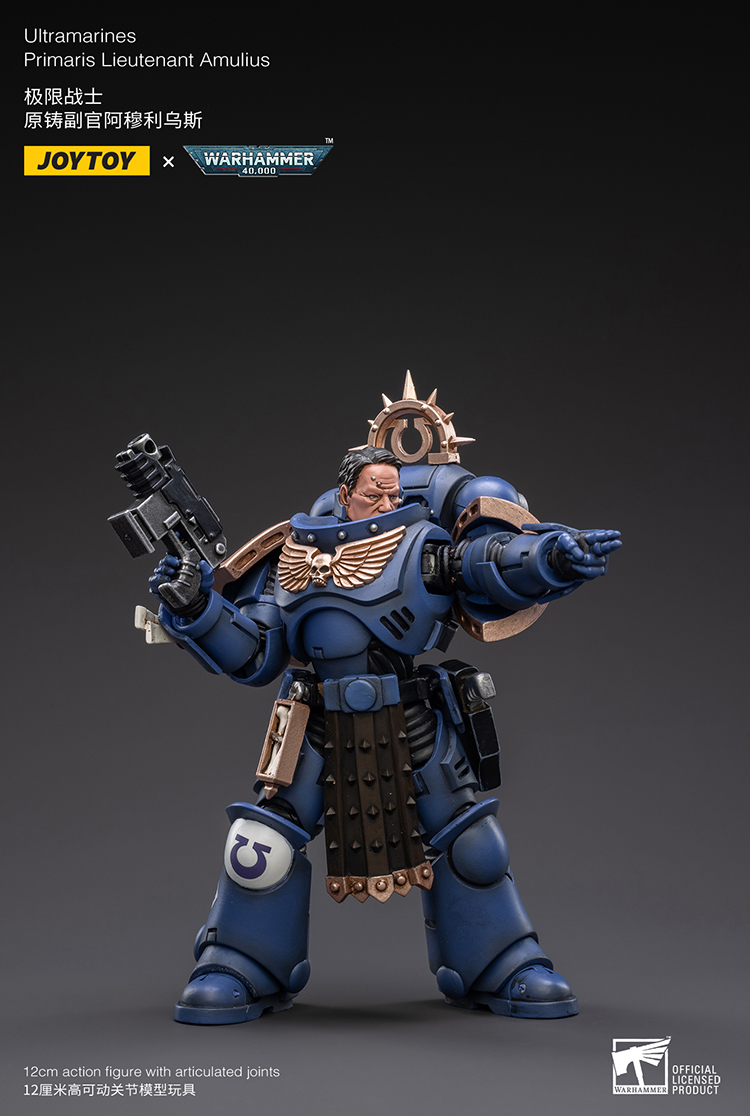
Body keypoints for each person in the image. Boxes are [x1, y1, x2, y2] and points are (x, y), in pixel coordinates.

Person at [149, 377, 621, 1024]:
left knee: (473, 845)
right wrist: (197, 608)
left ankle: (502, 960)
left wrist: (550, 558)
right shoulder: (294, 555)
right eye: (376, 491)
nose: (389, 500)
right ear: (345, 494)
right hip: (315, 723)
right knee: (261, 847)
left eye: (395, 492)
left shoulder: (423, 547)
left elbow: (489, 561)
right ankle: (240, 962)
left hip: (411, 716)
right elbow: (256, 652)